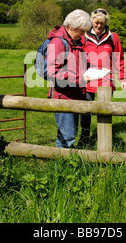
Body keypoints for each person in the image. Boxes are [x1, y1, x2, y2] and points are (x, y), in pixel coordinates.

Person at [79, 8, 126, 148]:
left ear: (106, 23)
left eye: (102, 23)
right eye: (96, 22)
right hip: (88, 81)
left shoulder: (113, 37)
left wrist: (122, 78)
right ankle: (85, 138)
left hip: (106, 82)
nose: (99, 26)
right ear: (91, 21)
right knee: (86, 112)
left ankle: (104, 141)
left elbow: (119, 59)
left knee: (105, 111)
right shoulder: (84, 37)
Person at [46, 9, 92, 148]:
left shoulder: (75, 41)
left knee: (70, 134)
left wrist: (92, 68)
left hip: (74, 94)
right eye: (82, 31)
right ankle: (61, 166)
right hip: (64, 97)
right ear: (72, 27)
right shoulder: (58, 43)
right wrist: (81, 78)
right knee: (67, 138)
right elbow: (53, 72)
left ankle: (63, 165)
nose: (84, 35)